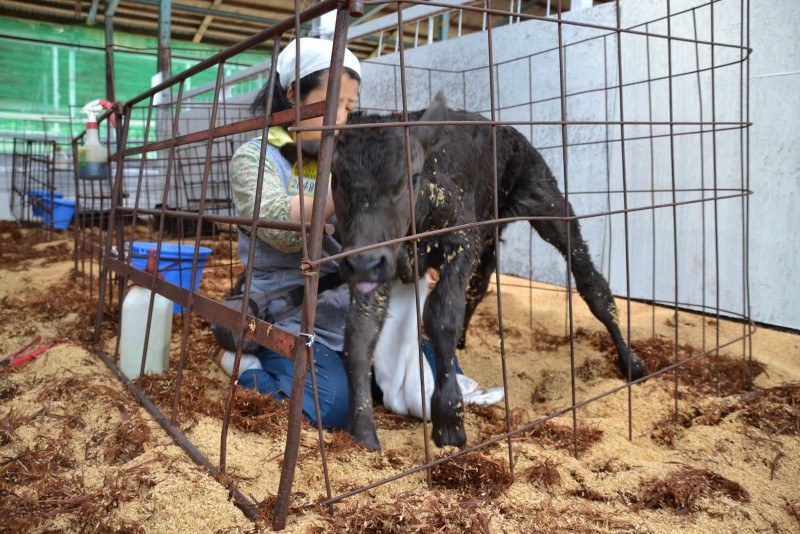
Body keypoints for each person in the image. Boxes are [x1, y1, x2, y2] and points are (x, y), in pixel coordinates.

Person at [220, 37, 502, 431]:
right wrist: (347, 181)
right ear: (292, 96)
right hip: (289, 305)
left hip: (351, 297)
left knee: (441, 360)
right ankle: (248, 367)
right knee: (332, 407)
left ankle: (360, 370)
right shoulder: (255, 157)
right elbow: (279, 229)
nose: (344, 116)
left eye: (349, 107)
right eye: (333, 103)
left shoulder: (353, 150)